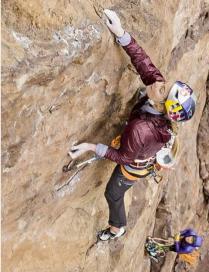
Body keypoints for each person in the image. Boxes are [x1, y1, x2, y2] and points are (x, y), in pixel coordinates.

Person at [68, 9, 197, 241]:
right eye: (165, 84)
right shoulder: (158, 95)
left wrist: (90, 147)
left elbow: (124, 158)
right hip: (143, 147)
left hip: (134, 166)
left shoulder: (140, 129)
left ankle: (117, 228)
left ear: (162, 105)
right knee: (146, 84)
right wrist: (121, 33)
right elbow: (145, 65)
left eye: (163, 89)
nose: (160, 82)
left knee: (113, 193)